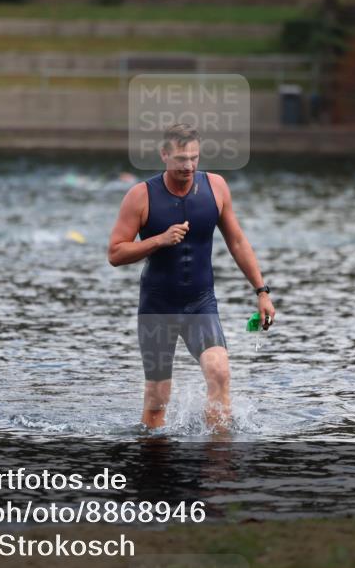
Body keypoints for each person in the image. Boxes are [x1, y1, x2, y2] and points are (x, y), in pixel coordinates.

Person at [108, 124, 275, 432]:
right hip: (158, 306)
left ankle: (218, 461)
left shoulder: (216, 187)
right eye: (181, 159)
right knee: (158, 399)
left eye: (194, 158)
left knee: (219, 372)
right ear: (164, 155)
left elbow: (237, 241)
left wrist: (261, 291)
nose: (188, 166)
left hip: (200, 303)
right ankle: (155, 466)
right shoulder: (140, 196)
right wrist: (159, 240)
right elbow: (116, 253)